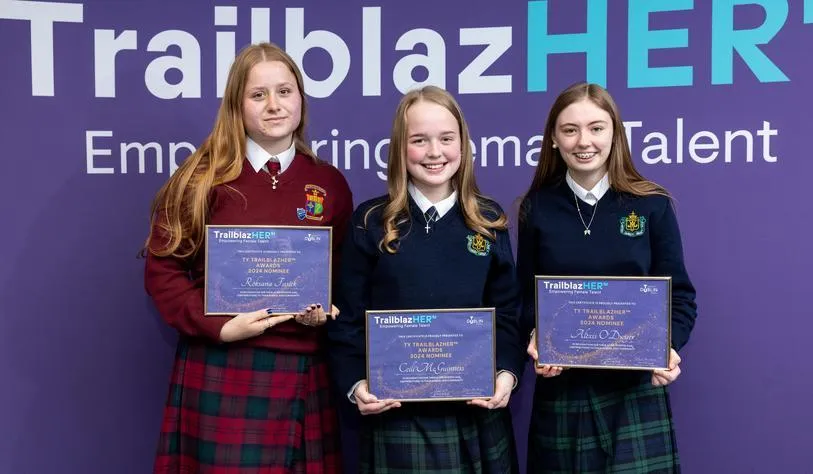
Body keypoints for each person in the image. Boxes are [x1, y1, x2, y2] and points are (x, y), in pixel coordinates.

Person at [143, 42, 353, 473]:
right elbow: (162, 271)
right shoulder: (200, 179)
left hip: (303, 369)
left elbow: (342, 274)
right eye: (258, 95)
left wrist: (324, 312)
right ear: (237, 106)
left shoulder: (329, 182)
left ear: (301, 99)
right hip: (221, 363)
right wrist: (218, 327)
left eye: (285, 91)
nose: (274, 105)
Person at [326, 85, 525, 473]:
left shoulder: (488, 221)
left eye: (446, 139)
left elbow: (508, 314)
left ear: (463, 145)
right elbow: (347, 319)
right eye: (420, 140)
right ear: (401, 150)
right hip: (397, 415)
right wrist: (356, 385)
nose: (435, 152)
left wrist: (505, 373)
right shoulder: (371, 223)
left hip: (476, 413)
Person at [517, 82, 697, 473]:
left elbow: (680, 297)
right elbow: (525, 299)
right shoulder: (537, 207)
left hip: (633, 392)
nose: (584, 141)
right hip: (562, 392)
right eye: (570, 129)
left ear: (615, 133)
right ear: (553, 138)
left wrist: (669, 346)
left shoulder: (652, 204)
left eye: (596, 128)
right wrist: (534, 335)